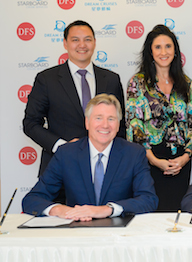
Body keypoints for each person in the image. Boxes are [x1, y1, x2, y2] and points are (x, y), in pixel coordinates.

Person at [22, 94, 158, 221]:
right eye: (98, 118)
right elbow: (32, 200)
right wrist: (58, 209)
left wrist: (108, 210)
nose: (105, 125)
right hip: (77, 234)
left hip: (119, 235)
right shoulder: (66, 154)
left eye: (111, 119)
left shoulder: (134, 154)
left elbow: (148, 200)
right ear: (87, 122)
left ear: (118, 125)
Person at [23, 20, 125, 178]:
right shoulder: (47, 79)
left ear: (95, 42)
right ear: (65, 43)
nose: (82, 45)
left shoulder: (111, 79)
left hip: (104, 170)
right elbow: (30, 123)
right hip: (60, 169)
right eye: (75, 40)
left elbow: (121, 125)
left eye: (87, 39)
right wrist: (62, 147)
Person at [126, 25, 192, 211]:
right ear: (150, 52)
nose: (163, 52)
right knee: (151, 214)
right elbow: (134, 126)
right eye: (158, 47)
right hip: (149, 161)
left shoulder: (187, 84)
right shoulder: (138, 83)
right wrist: (153, 160)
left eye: (168, 46)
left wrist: (185, 157)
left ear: (175, 51)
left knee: (177, 215)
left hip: (180, 163)